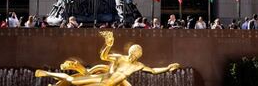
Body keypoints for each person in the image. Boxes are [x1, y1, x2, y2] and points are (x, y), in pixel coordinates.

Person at [35, 31, 180, 85]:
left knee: (74, 82)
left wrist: (167, 68)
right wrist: (108, 45)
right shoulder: (119, 58)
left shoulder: (138, 65)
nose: (133, 53)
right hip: (103, 78)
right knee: (72, 80)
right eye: (133, 50)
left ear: (139, 55)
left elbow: (153, 70)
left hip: (109, 84)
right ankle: (46, 73)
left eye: (136, 52)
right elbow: (103, 56)